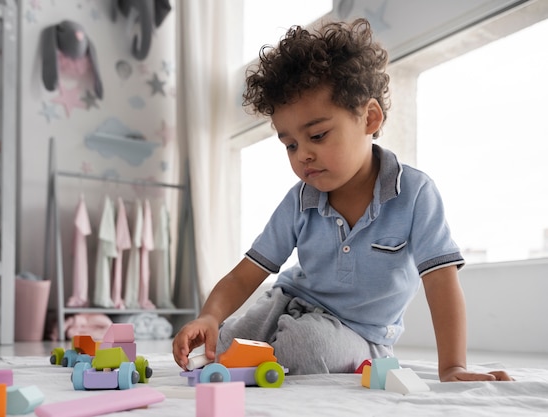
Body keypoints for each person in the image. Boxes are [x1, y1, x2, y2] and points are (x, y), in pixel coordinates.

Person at [172, 18, 512, 382]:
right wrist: (210, 316)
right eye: (290, 145)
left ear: (369, 118)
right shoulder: (300, 201)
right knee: (220, 345)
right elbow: (246, 275)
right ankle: (256, 347)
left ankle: (272, 351)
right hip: (289, 302)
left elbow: (442, 283)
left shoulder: (415, 194)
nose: (302, 154)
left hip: (360, 334)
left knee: (304, 346)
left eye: (317, 135)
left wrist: (452, 366)